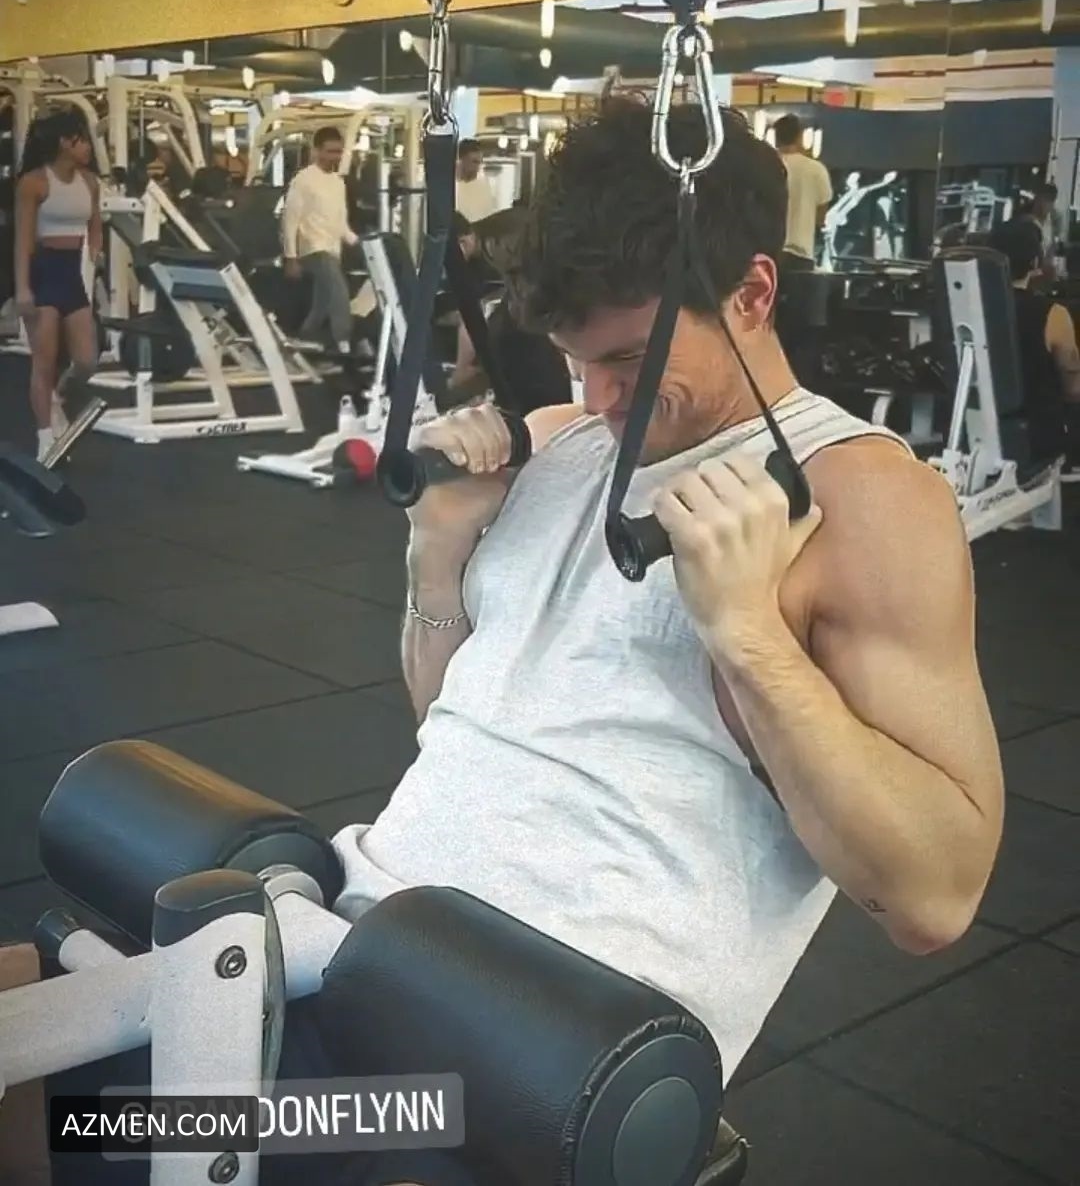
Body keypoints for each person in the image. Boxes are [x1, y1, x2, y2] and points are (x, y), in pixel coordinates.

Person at [332, 98, 1004, 1141]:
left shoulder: (862, 499)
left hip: (529, 1050)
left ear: (753, 294)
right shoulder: (557, 444)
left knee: (178, 1130)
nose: (599, 397)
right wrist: (440, 550)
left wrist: (748, 639)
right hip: (355, 931)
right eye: (577, 360)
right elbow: (444, 721)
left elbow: (936, 896)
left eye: (631, 360)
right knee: (83, 1061)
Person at [14, 109, 102, 460]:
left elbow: (95, 224)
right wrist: (23, 289)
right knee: (44, 363)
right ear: (65, 142)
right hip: (43, 273)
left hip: (71, 275)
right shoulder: (34, 182)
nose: (88, 147)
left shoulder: (90, 182)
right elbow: (23, 241)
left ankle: (57, 397)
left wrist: (96, 252)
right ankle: (44, 437)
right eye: (83, 140)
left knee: (87, 361)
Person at [446, 211, 573, 415]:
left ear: (462, 242)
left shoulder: (494, 245)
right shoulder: (491, 238)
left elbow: (473, 314)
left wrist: (461, 371)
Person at [991, 216, 1080, 461]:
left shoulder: (970, 308)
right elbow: (1074, 390)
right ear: (1034, 262)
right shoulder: (1053, 314)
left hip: (980, 431)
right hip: (1040, 439)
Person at [281, 126, 359, 354]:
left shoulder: (338, 183)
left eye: (338, 151)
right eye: (330, 151)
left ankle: (304, 337)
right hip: (312, 248)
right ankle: (344, 342)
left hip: (332, 248)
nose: (335, 156)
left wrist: (359, 243)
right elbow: (290, 220)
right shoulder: (303, 180)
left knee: (323, 301)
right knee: (339, 290)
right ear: (317, 151)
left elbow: (341, 223)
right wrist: (290, 257)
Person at [773, 113, 833, 271]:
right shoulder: (816, 170)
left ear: (776, 138)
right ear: (800, 136)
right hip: (801, 255)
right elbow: (821, 218)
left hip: (770, 253)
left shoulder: (766, 165)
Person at [454, 138, 497, 225]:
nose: (478, 167)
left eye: (480, 163)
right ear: (461, 160)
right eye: (474, 162)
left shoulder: (484, 187)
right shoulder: (449, 187)